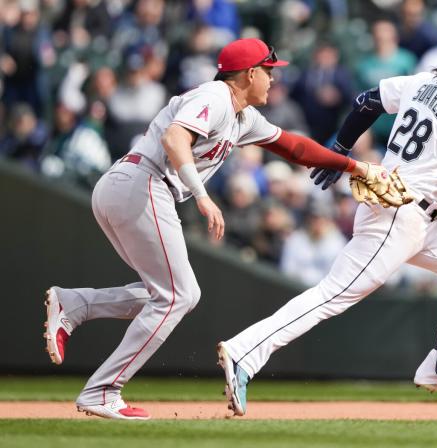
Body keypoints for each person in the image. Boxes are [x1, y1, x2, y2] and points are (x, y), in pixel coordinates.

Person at [217, 29, 437, 416]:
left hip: (415, 215)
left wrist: (339, 147)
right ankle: (245, 353)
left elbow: (366, 102)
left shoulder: (425, 81)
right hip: (399, 215)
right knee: (333, 295)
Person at [42, 38, 379, 420]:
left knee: (174, 294)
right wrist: (202, 196)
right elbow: (174, 138)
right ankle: (103, 389)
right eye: (269, 71)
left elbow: (294, 147)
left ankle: (77, 304)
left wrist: (358, 167)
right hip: (143, 182)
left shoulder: (243, 115)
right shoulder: (217, 96)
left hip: (130, 187)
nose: (273, 79)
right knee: (176, 296)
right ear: (250, 73)